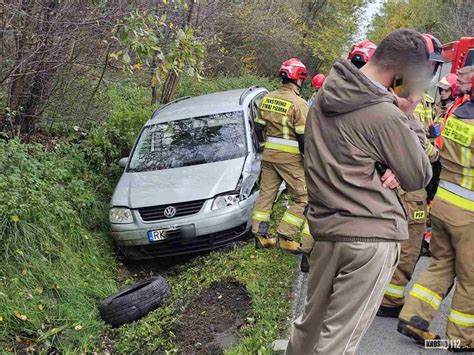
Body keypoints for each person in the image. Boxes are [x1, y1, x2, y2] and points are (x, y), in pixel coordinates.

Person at [286, 29, 433, 355]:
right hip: (370, 236)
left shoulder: (325, 97)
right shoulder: (386, 115)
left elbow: (344, 154)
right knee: (338, 342)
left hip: (327, 233)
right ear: (400, 76)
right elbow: (419, 174)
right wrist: (408, 117)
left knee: (310, 327)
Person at [398, 65, 474, 353]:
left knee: (441, 265)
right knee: (470, 278)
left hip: (443, 205)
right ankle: (463, 338)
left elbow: (438, 148)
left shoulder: (456, 116)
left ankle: (414, 317)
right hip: (469, 216)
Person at [377, 33, 444, 318]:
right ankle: (390, 300)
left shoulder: (384, 93)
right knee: (408, 245)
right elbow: (423, 150)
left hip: (389, 183)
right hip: (409, 186)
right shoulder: (407, 102)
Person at [252, 58, 309, 253]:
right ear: (298, 79)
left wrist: (264, 148)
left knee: (266, 194)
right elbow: (303, 138)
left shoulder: (267, 99)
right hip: (290, 160)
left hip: (268, 157)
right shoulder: (299, 103)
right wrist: (308, 159)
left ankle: (261, 236)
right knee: (304, 197)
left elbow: (257, 128)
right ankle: (285, 236)